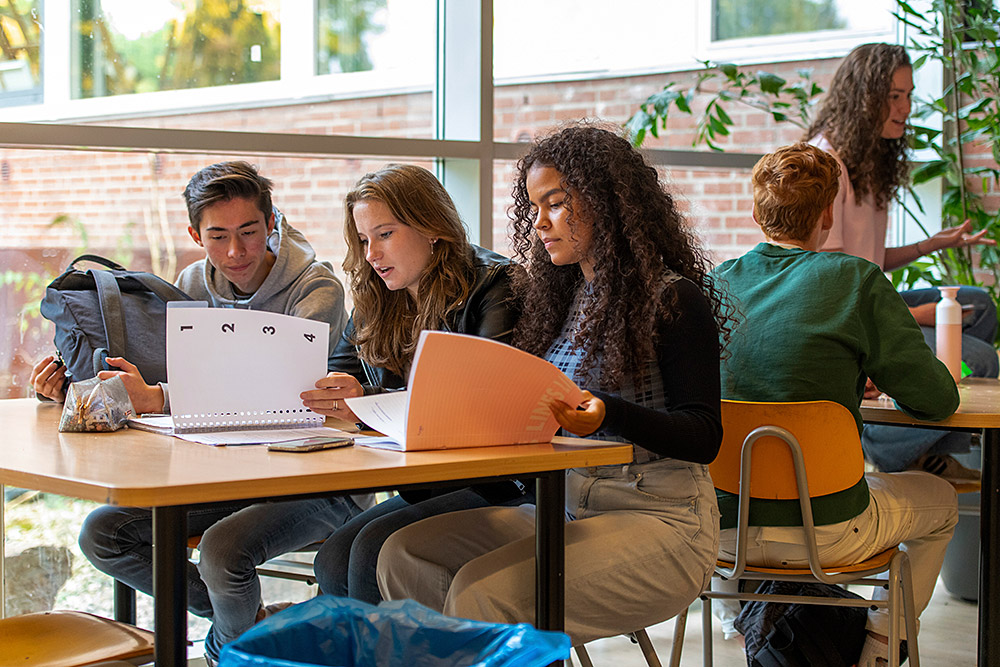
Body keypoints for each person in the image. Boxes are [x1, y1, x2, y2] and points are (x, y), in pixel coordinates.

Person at [376, 125, 731, 646]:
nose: (540, 221)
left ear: (607, 203)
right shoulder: (562, 299)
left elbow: (704, 436)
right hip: (563, 507)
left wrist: (607, 411)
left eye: (557, 203)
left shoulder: (672, 299)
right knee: (404, 555)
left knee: (483, 592)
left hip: (662, 519)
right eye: (535, 206)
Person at [31, 161, 360, 665]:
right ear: (194, 234)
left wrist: (160, 396)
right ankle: (254, 630)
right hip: (226, 478)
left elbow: (278, 389)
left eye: (250, 232)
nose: (236, 252)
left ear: (272, 223)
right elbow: (166, 383)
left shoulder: (317, 289)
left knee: (223, 553)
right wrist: (73, 389)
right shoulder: (188, 284)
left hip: (318, 480)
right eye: (218, 236)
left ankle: (232, 648)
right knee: (104, 533)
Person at [711, 142, 959, 666]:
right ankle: (880, 647)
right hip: (827, 533)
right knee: (941, 503)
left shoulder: (715, 284)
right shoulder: (855, 281)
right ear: (828, 214)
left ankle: (744, 625)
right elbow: (935, 399)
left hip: (720, 534)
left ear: (757, 213)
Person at [298, 163, 532, 604]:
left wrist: (363, 402)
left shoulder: (495, 285)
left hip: (497, 483)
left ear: (431, 227)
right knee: (331, 559)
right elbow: (337, 376)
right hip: (424, 481)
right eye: (364, 239)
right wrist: (337, 391)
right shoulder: (377, 295)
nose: (371, 254)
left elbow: (481, 397)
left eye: (384, 235)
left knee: (369, 551)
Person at [804, 42, 997, 476]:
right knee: (981, 360)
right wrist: (913, 317)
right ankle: (884, 443)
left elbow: (867, 258)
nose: (906, 107)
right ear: (864, 96)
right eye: (895, 96)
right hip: (848, 313)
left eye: (909, 95)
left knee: (979, 305)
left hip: (867, 298)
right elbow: (829, 282)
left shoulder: (868, 160)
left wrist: (932, 244)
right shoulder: (828, 163)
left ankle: (925, 454)